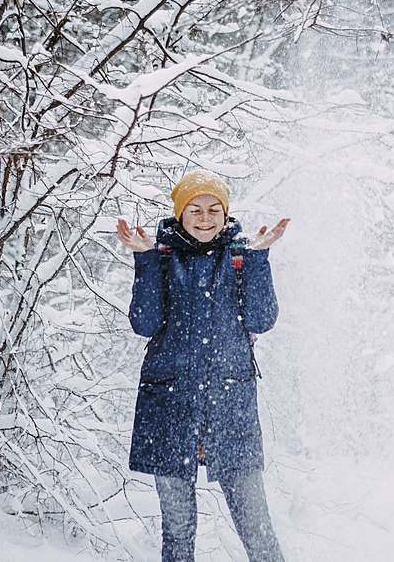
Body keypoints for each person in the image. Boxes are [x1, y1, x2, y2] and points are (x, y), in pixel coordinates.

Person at [117, 169, 290, 562]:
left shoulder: (241, 257)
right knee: (177, 532)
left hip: (230, 408)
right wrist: (144, 260)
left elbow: (262, 320)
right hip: (170, 407)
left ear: (225, 214)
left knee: (255, 526)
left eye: (214, 209)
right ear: (180, 214)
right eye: (195, 209)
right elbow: (144, 323)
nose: (205, 217)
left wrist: (259, 257)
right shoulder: (160, 259)